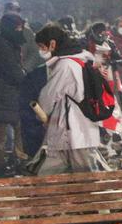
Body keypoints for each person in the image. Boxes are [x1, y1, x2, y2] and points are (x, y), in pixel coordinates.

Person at [35, 23, 105, 174]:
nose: (41, 51)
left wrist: (41, 114)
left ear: (52, 44)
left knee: (86, 180)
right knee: (51, 177)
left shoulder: (65, 65)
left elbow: (49, 95)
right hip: (81, 128)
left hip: (71, 131)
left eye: (42, 46)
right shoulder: (85, 57)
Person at [0, 14, 27, 177]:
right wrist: (26, 77)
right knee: (1, 138)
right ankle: (1, 168)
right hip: (1, 97)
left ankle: (16, 164)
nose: (20, 31)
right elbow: (14, 72)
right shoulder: (1, 46)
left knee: (17, 133)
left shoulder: (7, 42)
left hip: (9, 97)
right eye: (18, 27)